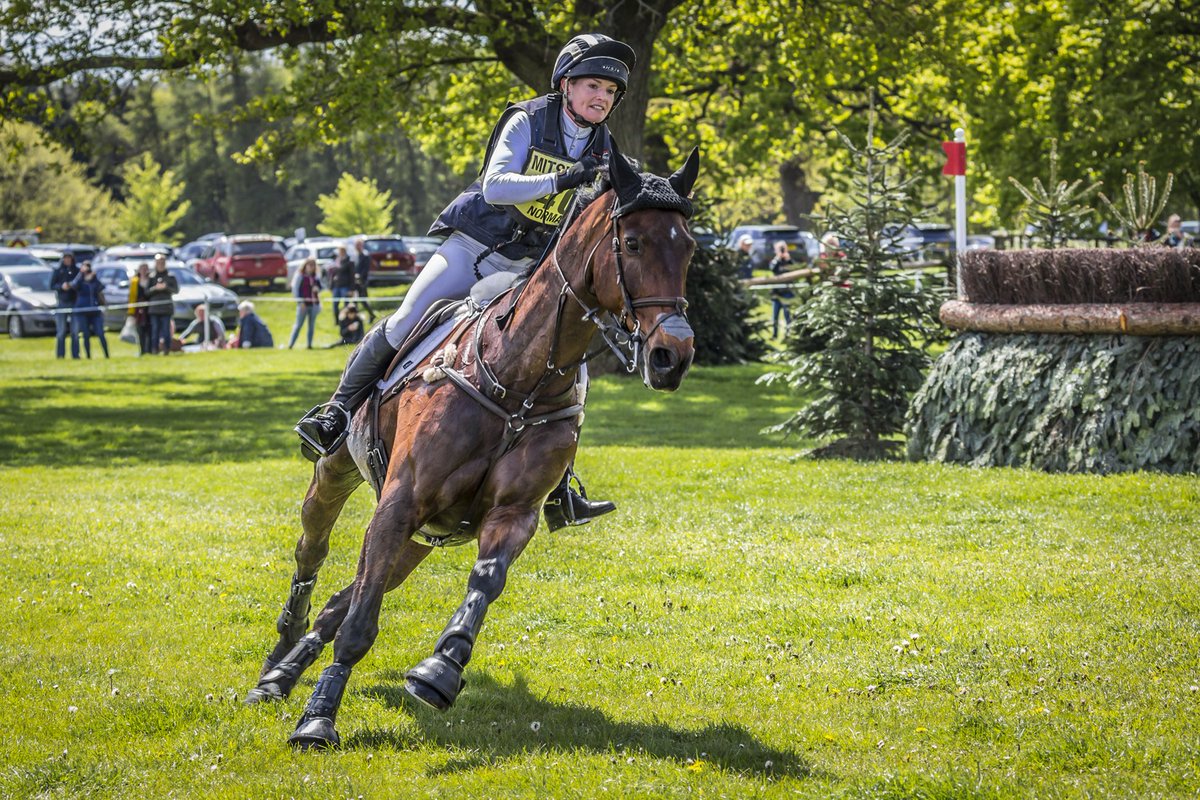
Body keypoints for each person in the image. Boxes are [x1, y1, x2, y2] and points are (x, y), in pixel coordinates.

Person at [296, 33, 636, 528]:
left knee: (566, 364)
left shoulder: (606, 148)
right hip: (475, 248)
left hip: (529, 269)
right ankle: (336, 414)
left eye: (609, 91)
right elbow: (496, 186)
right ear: (565, 84)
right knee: (409, 318)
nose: (601, 97)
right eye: (592, 85)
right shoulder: (527, 119)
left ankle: (561, 487)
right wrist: (565, 178)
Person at [70, 261, 109, 359]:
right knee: (85, 334)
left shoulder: (94, 280)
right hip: (82, 311)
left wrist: (104, 305)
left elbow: (101, 291)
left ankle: (107, 355)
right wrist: (81, 274)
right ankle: (88, 356)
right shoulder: (79, 280)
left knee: (100, 333)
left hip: (95, 311)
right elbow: (74, 286)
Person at [145, 254, 179, 355]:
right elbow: (147, 292)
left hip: (166, 308)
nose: (160, 264)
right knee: (154, 331)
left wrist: (166, 287)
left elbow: (176, 290)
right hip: (154, 309)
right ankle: (154, 350)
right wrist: (155, 288)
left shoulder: (170, 276)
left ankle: (166, 350)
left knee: (166, 331)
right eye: (158, 262)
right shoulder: (151, 277)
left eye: (162, 262)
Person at [50, 252, 81, 359]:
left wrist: (72, 286)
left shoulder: (77, 271)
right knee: (61, 331)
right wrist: (61, 287)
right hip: (62, 303)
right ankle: (60, 355)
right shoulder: (58, 271)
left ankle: (76, 354)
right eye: (65, 258)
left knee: (75, 332)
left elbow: (80, 284)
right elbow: (52, 285)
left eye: (69, 258)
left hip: (74, 303)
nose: (67, 260)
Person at [287, 257, 322, 349]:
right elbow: (295, 289)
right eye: (309, 265)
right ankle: (290, 345)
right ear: (305, 265)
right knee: (298, 325)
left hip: (314, 304)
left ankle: (309, 345)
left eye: (313, 265)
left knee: (311, 325)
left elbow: (321, 287)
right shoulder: (300, 276)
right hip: (303, 305)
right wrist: (300, 302)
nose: (311, 267)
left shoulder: (316, 276)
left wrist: (318, 289)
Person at [767, 240, 795, 338]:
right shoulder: (775, 260)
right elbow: (772, 269)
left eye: (783, 248)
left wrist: (788, 259)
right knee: (775, 315)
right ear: (776, 250)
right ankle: (775, 334)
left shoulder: (789, 261)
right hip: (776, 292)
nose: (782, 250)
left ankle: (788, 333)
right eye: (780, 249)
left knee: (787, 314)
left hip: (787, 292)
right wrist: (778, 258)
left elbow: (795, 269)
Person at [329, 244, 356, 324]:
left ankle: (345, 320)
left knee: (346, 305)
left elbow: (352, 276)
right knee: (335, 305)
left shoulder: (350, 261)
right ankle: (337, 321)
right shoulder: (336, 261)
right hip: (336, 286)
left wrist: (352, 289)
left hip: (345, 286)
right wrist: (331, 286)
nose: (340, 252)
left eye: (342, 251)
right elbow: (332, 274)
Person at [351, 239, 376, 324]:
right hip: (355, 282)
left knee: (363, 300)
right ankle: (355, 318)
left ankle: (371, 314)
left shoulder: (365, 255)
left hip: (362, 282)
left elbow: (366, 269)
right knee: (354, 300)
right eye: (356, 245)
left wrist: (359, 277)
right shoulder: (355, 256)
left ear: (361, 246)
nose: (357, 247)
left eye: (358, 245)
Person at [130, 262, 152, 355]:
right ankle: (142, 350)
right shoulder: (135, 281)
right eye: (142, 269)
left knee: (149, 331)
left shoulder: (151, 280)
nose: (143, 271)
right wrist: (131, 312)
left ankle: (149, 350)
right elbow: (132, 297)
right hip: (138, 310)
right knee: (140, 331)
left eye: (145, 269)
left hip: (150, 309)